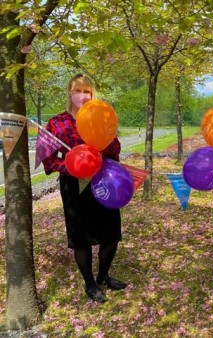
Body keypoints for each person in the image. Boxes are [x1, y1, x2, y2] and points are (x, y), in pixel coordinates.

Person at [43, 74, 127, 303]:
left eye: (87, 91)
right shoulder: (56, 123)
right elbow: (49, 161)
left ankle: (103, 276)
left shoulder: (101, 118)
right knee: (80, 237)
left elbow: (115, 149)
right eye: (78, 90)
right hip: (73, 184)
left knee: (111, 233)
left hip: (104, 180)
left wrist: (103, 149)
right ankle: (89, 283)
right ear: (69, 93)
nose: (82, 95)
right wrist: (74, 165)